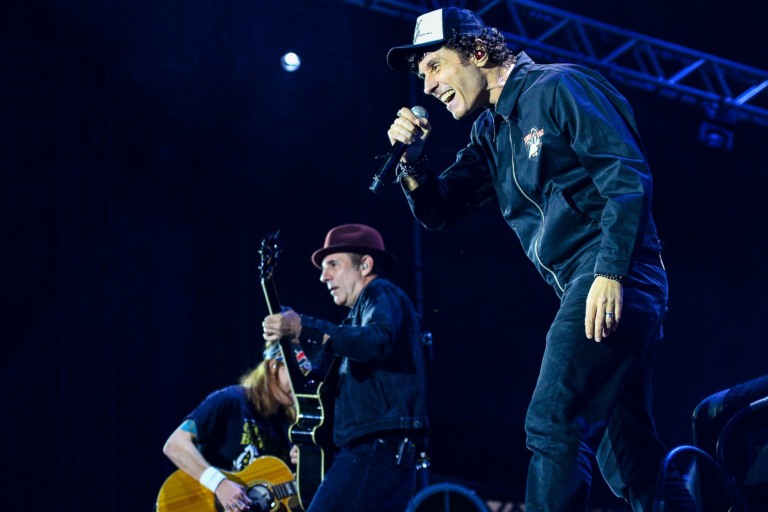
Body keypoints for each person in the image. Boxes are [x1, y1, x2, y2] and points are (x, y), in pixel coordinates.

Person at [383, 7, 698, 512]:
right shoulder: (491, 132)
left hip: (614, 271)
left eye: (435, 66)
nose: (428, 85)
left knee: (552, 420)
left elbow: (625, 176)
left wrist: (610, 270)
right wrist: (415, 161)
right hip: (584, 283)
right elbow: (442, 211)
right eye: (422, 74)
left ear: (477, 53)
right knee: (633, 463)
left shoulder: (558, 87)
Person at [261, 223, 429, 512]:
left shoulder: (380, 292)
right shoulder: (356, 319)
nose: (323, 276)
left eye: (333, 264)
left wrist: (304, 328)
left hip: (376, 449)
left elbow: (374, 342)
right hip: (378, 450)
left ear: (365, 265)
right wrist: (315, 445)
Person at [162, 345, 297, 512]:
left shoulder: (290, 428)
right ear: (273, 366)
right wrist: (219, 484)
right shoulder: (231, 400)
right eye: (296, 374)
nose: (300, 384)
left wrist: (307, 468)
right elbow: (175, 445)